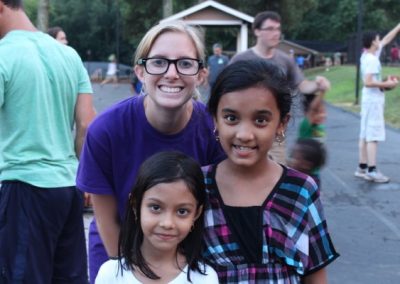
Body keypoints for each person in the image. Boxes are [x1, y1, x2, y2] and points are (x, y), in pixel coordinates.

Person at [76, 21, 225, 283]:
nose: (171, 73)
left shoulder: (214, 130)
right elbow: (107, 219)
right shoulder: (106, 131)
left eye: (185, 63)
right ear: (140, 72)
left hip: (188, 263)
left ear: (201, 74)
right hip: (118, 254)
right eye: (158, 62)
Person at [203, 60, 339, 283]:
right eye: (231, 118)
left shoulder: (301, 190)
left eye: (260, 120)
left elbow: (315, 273)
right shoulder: (196, 187)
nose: (244, 134)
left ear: (281, 124)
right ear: (215, 120)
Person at [0, 1, 96, 283]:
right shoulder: (68, 55)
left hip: (22, 186)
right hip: (68, 187)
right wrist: (85, 176)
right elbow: (87, 124)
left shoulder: (3, 55)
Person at [95, 151, 219, 283]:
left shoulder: (204, 278)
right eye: (156, 208)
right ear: (136, 206)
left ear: (196, 213)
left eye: (182, 211)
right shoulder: (110, 274)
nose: (167, 223)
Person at [230, 11, 330, 165]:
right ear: (257, 31)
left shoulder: (285, 60)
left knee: (277, 175)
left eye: (278, 29)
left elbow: (302, 85)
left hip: (275, 132)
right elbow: (227, 92)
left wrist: (317, 85)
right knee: (244, 171)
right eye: (270, 29)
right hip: (245, 129)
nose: (275, 33)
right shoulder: (241, 59)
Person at [354, 25, 400, 183]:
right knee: (373, 135)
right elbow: (368, 82)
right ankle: (372, 171)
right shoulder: (372, 60)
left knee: (365, 134)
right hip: (373, 101)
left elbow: (387, 39)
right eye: (378, 39)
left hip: (368, 100)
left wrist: (398, 27)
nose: (380, 40)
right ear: (373, 42)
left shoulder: (366, 55)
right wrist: (388, 84)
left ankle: (362, 167)